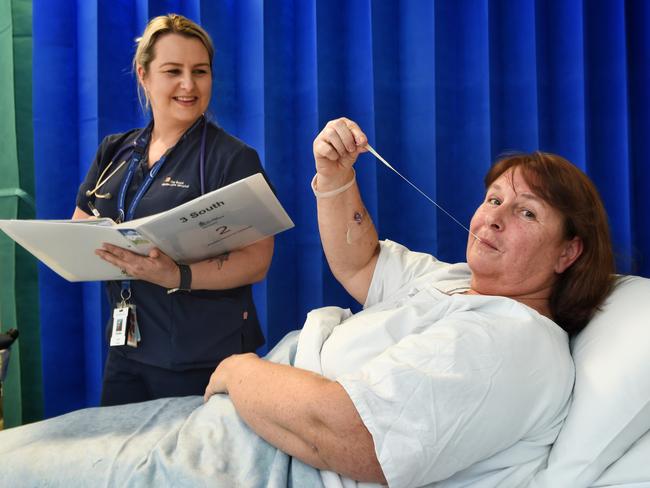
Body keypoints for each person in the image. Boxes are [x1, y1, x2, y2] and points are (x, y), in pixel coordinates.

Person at [0, 118, 615, 487]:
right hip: (241, 422)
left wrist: (241, 370)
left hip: (265, 462)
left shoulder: (515, 342)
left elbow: (352, 437)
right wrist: (334, 173)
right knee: (19, 449)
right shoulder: (457, 284)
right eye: (494, 199)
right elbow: (361, 262)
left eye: (526, 211)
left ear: (568, 253)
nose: (492, 217)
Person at [72, 14, 274, 406]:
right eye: (173, 71)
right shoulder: (114, 152)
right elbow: (80, 227)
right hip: (127, 351)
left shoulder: (233, 160)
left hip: (206, 358)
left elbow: (256, 261)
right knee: (121, 461)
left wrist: (176, 274)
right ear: (143, 74)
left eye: (200, 71)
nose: (188, 84)